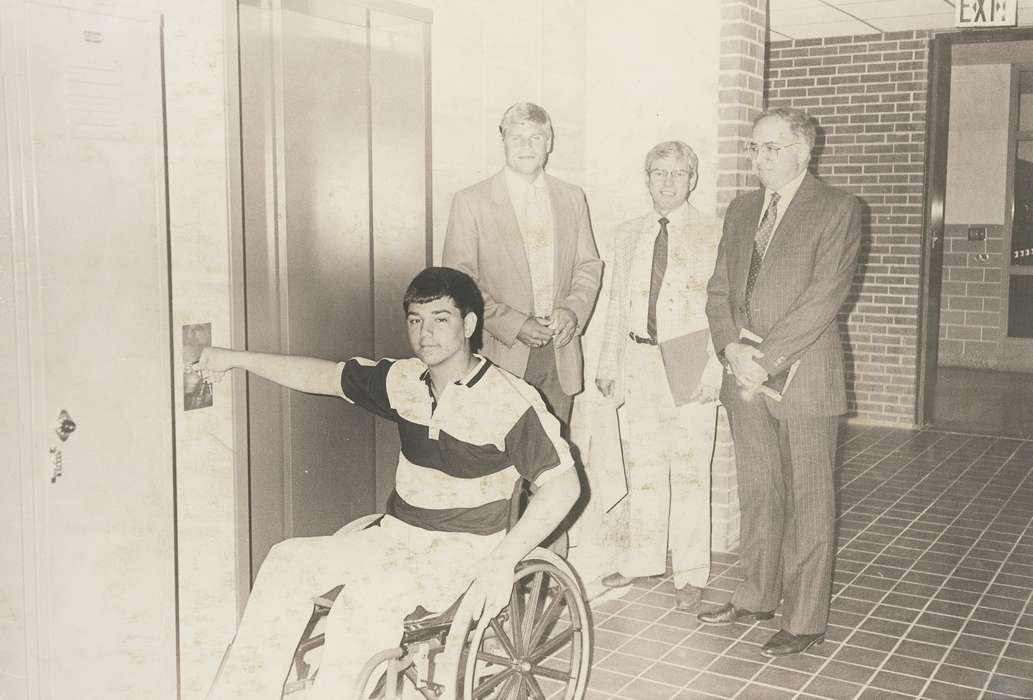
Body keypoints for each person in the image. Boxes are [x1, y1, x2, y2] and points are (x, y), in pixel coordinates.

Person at [198, 267, 581, 698]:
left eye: (441, 318)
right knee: (286, 559)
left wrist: (504, 558)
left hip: (463, 551)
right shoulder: (404, 380)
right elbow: (323, 376)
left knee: (364, 602)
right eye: (416, 320)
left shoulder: (509, 400)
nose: (426, 333)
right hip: (394, 536)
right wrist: (232, 358)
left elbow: (564, 486)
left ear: (470, 324)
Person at [700, 107, 862, 657]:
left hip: (805, 377)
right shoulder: (743, 209)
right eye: (754, 148)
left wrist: (764, 358)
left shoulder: (837, 209)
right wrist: (729, 346)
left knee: (810, 498)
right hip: (742, 372)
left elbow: (824, 297)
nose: (759, 158)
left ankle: (805, 617)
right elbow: (720, 286)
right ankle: (756, 594)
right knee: (759, 489)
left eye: (771, 147)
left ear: (802, 150)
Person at [594, 141, 723, 612]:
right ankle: (643, 559)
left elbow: (724, 308)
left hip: (689, 357)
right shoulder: (628, 233)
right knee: (644, 466)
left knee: (689, 470)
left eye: (677, 173)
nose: (667, 182)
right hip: (639, 359)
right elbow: (615, 305)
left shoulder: (713, 232)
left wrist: (714, 367)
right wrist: (609, 365)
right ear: (646, 178)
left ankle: (691, 573)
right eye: (658, 173)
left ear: (692, 179)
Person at [442, 102, 603, 430]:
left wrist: (573, 311)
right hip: (500, 351)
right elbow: (459, 284)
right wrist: (514, 324)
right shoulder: (471, 201)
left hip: (559, 354)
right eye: (517, 138)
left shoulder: (572, 197)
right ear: (503, 140)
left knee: (555, 467)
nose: (526, 146)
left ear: (550, 143)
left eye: (535, 138)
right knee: (501, 470)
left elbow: (588, 265)